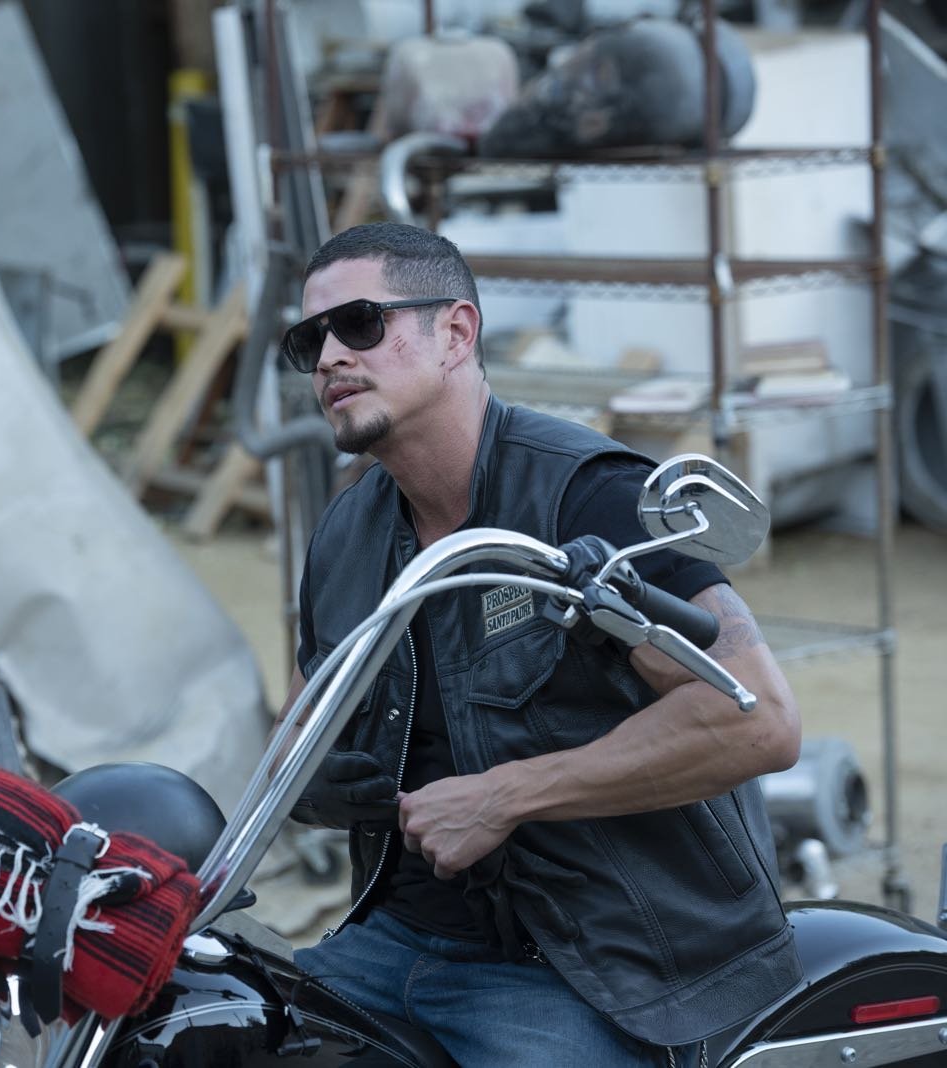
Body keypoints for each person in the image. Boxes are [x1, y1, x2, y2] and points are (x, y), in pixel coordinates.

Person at [282, 222, 803, 1067]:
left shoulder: (589, 498)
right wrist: (312, 780)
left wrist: (504, 796)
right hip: (390, 940)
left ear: (456, 332)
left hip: (587, 968)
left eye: (361, 324)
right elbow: (296, 730)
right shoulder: (347, 534)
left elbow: (758, 720)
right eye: (311, 340)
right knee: (203, 1024)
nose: (331, 356)